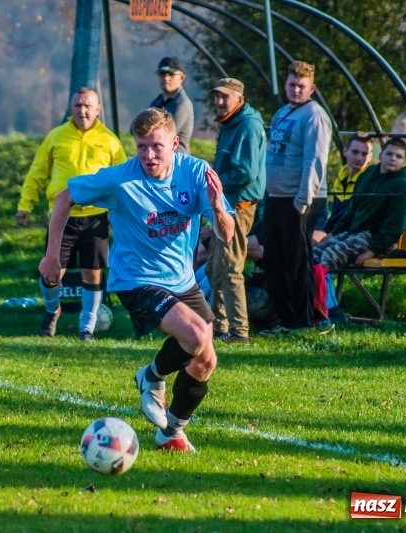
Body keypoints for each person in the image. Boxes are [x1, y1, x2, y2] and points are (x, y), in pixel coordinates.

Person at [39, 108, 234, 452]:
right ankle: (152, 376)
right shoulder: (121, 179)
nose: (148, 155)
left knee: (206, 360)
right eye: (142, 147)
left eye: (156, 146)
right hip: (135, 279)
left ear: (175, 143)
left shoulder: (196, 173)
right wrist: (53, 255)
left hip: (181, 280)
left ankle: (171, 430)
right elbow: (64, 197)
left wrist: (219, 209)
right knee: (198, 334)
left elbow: (226, 235)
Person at [16, 87, 127, 341]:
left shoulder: (110, 140)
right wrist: (25, 205)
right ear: (71, 108)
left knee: (93, 272)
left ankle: (86, 327)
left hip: (96, 217)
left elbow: (123, 179)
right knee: (52, 272)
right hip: (61, 217)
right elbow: (38, 172)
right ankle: (52, 310)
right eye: (77, 105)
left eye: (88, 106)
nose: (82, 110)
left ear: (98, 109)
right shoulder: (56, 136)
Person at [263, 61, 332, 335]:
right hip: (276, 196)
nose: (295, 90)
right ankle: (284, 319)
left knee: (295, 261)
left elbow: (315, 159)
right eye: (291, 84)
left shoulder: (314, 115)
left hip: (300, 198)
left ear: (311, 88)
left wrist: (303, 200)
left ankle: (303, 321)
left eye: (301, 86)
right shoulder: (282, 113)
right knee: (274, 261)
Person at [205, 78, 266, 343]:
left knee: (229, 268)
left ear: (239, 100)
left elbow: (245, 172)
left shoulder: (248, 125)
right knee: (212, 268)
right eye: (216, 96)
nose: (219, 102)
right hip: (224, 205)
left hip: (238, 208)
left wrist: (214, 183)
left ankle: (239, 333)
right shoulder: (230, 123)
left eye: (225, 97)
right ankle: (218, 327)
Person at [314, 137, 406, 269]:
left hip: (377, 239)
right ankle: (305, 289)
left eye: (398, 156)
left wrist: (371, 251)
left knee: (329, 255)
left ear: (404, 162)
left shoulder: (401, 185)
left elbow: (394, 227)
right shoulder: (368, 174)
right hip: (356, 232)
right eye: (389, 154)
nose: (393, 158)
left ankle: (325, 289)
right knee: (314, 253)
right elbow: (352, 210)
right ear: (381, 155)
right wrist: (333, 233)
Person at [321, 132, 374, 236]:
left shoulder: (368, 181)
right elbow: (335, 215)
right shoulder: (341, 176)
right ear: (345, 151)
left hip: (350, 234)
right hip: (333, 229)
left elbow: (352, 221)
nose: (359, 158)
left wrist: (327, 235)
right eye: (355, 152)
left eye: (364, 154)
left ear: (370, 156)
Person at [149, 57, 194, 155]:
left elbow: (162, 134)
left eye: (171, 74)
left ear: (181, 78)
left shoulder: (183, 104)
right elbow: (137, 128)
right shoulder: (158, 101)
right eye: (162, 74)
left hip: (177, 161)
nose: (166, 78)